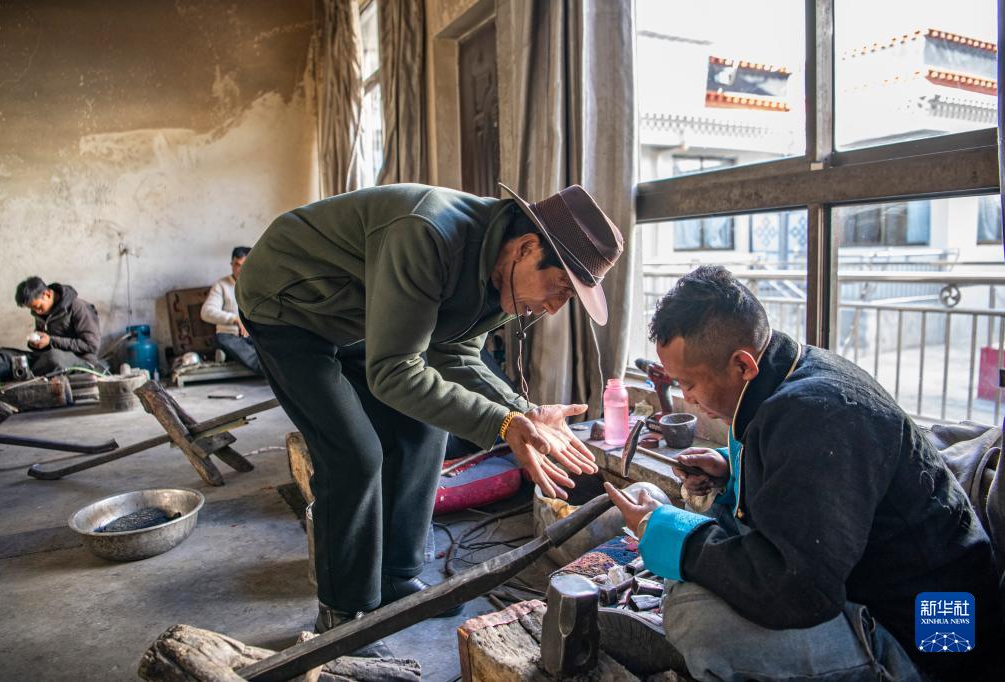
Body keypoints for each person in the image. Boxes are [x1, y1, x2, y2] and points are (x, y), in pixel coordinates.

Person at [237, 183, 624, 643]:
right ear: (526, 248)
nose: (554, 308)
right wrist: (501, 422)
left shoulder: (503, 272)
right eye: (559, 288)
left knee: (426, 426)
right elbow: (393, 372)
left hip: (359, 315)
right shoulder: (427, 234)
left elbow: (455, 356)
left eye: (568, 299)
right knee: (354, 455)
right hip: (288, 305)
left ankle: (396, 579)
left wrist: (524, 412)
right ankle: (341, 613)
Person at [605, 265, 1003, 681]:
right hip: (881, 588)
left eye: (688, 384)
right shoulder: (790, 370)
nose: (686, 398)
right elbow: (807, 480)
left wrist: (672, 535)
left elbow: (797, 591)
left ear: (742, 365)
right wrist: (731, 468)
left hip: (937, 641)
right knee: (697, 560)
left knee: (695, 615)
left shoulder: (818, 415)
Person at [0, 277, 102, 380]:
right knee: (4, 355)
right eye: (32, 309)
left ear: (47, 294)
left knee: (53, 357)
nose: (37, 312)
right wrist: (36, 344)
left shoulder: (78, 307)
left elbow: (92, 345)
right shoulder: (42, 313)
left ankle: (24, 378)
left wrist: (51, 341)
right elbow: (45, 346)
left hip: (80, 361)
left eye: (38, 307)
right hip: (46, 359)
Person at [200, 246, 262, 375]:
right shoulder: (221, 285)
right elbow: (206, 312)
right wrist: (234, 318)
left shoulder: (256, 285)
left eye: (244, 265)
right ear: (231, 264)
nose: (240, 269)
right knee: (255, 359)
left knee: (273, 349)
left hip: (253, 334)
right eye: (237, 265)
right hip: (229, 334)